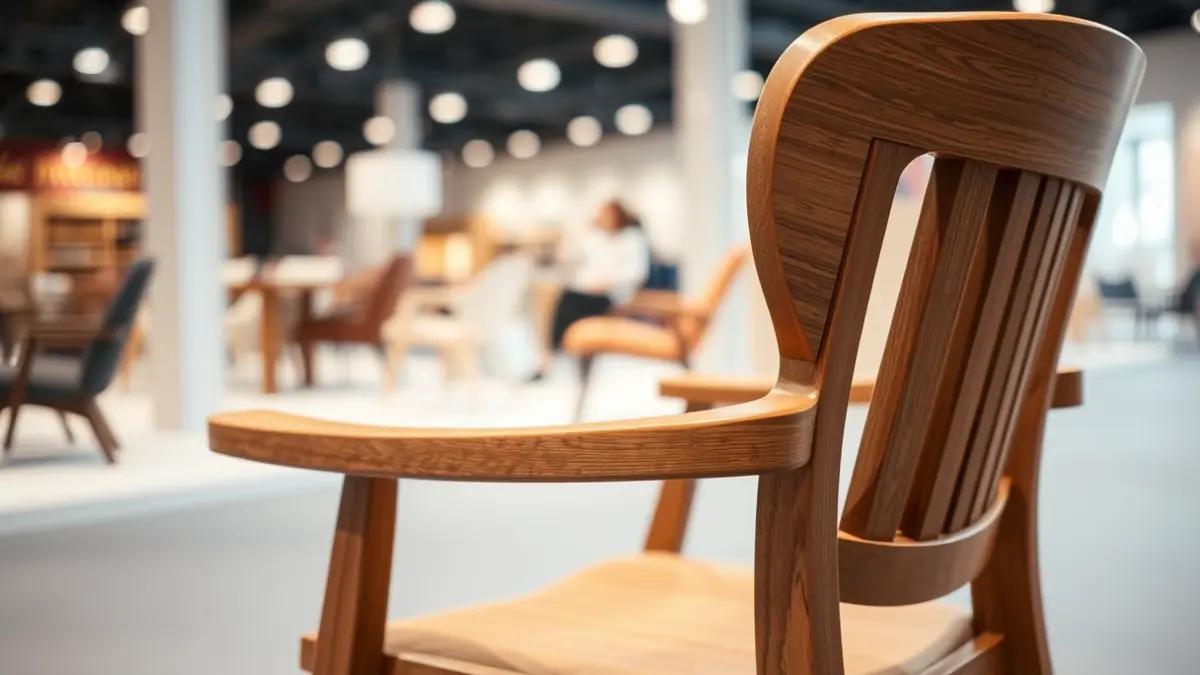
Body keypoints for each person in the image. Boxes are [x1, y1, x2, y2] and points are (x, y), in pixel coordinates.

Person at [529, 200, 651, 382]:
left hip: (614, 295)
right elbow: (575, 257)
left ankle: (551, 356)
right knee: (567, 301)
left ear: (618, 215)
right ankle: (559, 356)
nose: (603, 219)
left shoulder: (632, 238)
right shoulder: (597, 238)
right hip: (590, 292)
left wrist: (609, 282)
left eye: (607, 214)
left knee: (567, 300)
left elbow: (638, 273)